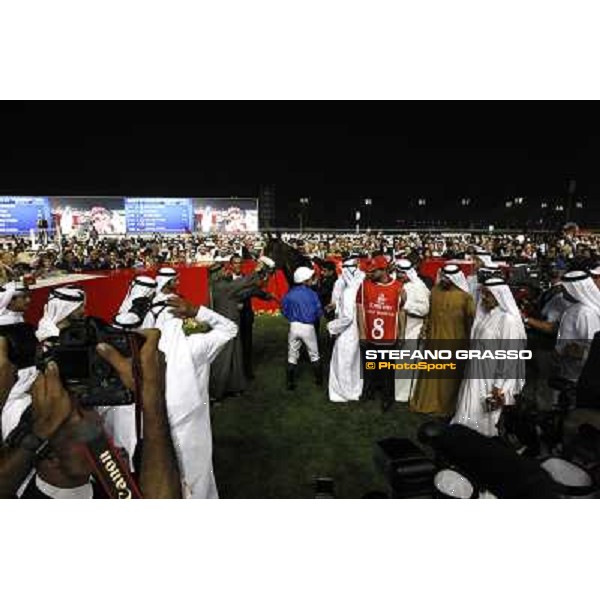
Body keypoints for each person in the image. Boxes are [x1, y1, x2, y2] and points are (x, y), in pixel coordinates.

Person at [142, 292, 238, 498]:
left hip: (155, 423)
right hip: (193, 422)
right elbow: (230, 328)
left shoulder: (143, 354)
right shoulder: (196, 346)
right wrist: (197, 310)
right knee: (197, 475)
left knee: (163, 475)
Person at [451, 278, 527, 437]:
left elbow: (509, 355)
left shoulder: (508, 320)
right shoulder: (486, 314)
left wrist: (498, 385)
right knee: (469, 406)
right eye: (483, 293)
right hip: (476, 371)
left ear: (499, 296)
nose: (484, 297)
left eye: (488, 294)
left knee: (484, 415)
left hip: (492, 377)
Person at [410, 264, 475, 416]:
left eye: (448, 278)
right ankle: (426, 403)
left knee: (449, 378)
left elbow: (470, 322)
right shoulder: (435, 291)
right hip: (433, 340)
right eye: (444, 276)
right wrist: (424, 330)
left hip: (455, 343)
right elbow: (429, 314)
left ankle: (447, 407)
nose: (445, 280)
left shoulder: (465, 297)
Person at [356, 255, 405, 410]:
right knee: (369, 366)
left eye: (372, 271)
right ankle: (368, 392)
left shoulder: (398, 287)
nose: (368, 274)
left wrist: (402, 333)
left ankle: (387, 397)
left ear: (383, 270)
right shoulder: (364, 285)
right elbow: (359, 309)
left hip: (389, 337)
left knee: (387, 369)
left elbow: (401, 311)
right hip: (370, 335)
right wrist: (362, 332)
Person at [230, 255, 275, 380]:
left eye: (240, 263)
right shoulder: (227, 280)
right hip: (231, 316)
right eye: (235, 263)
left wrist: (267, 296)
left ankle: (247, 371)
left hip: (245, 316)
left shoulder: (246, 278)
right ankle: (234, 372)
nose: (238, 265)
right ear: (231, 265)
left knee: (246, 344)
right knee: (232, 345)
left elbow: (255, 290)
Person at [327, 258, 365, 401]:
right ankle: (355, 389)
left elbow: (347, 317)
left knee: (344, 361)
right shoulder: (358, 286)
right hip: (357, 329)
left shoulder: (350, 291)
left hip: (347, 331)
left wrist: (331, 327)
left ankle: (345, 392)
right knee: (354, 361)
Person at [394, 259, 431, 403]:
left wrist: (406, 303)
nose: (398, 275)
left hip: (414, 329)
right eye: (397, 272)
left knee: (408, 364)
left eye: (401, 273)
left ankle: (406, 395)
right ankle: (397, 393)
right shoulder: (401, 284)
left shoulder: (418, 287)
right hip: (400, 328)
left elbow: (424, 309)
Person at [281, 266, 323, 390]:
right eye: (310, 278)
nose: (312, 280)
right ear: (305, 280)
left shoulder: (289, 294)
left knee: (292, 355)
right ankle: (319, 381)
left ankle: (290, 383)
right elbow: (318, 312)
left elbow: (284, 310)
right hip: (308, 327)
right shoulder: (312, 294)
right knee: (314, 354)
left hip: (294, 326)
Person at [554, 271, 600, 385]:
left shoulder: (584, 312)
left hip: (578, 378)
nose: (562, 290)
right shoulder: (576, 309)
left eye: (565, 287)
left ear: (574, 289)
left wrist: (571, 352)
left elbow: (593, 349)